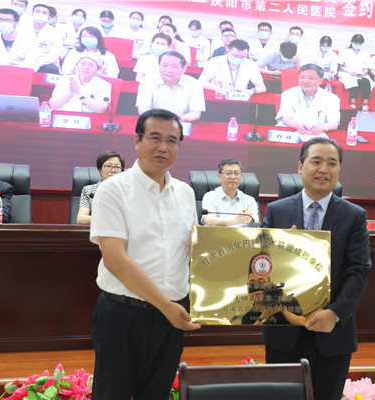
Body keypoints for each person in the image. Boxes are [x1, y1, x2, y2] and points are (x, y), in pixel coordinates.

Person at [89, 108, 200, 399]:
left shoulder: (185, 193)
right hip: (122, 317)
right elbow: (115, 260)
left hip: (171, 320)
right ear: (137, 141)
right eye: (155, 138)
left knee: (157, 394)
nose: (164, 147)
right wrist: (166, 306)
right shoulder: (113, 190)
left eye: (172, 140)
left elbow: (194, 251)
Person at [261, 136, 371, 400]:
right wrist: (282, 254)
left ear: (339, 169)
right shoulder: (276, 211)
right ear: (300, 167)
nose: (324, 169)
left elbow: (358, 271)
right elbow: (261, 267)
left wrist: (334, 313)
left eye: (332, 163)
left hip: (332, 333)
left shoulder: (354, 215)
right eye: (316, 162)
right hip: (284, 331)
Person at [275, 64, 340, 142]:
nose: (305, 81)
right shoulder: (288, 94)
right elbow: (286, 119)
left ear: (320, 81)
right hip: (290, 133)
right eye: (302, 77)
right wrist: (297, 125)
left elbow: (334, 123)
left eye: (311, 78)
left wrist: (323, 127)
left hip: (315, 136)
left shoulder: (331, 98)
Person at [136, 51, 205, 121]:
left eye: (174, 66)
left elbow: (195, 113)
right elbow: (142, 108)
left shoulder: (195, 84)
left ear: (184, 69)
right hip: (153, 120)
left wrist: (181, 118)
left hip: (180, 122)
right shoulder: (147, 81)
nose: (169, 70)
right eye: (164, 65)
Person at [201, 158, 259, 227]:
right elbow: (209, 221)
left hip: (242, 234)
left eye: (236, 173)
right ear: (219, 176)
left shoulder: (249, 200)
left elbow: (256, 222)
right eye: (228, 173)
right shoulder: (210, 196)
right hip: (218, 234)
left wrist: (249, 219)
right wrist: (237, 220)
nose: (233, 177)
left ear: (241, 176)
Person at [199, 39, 266, 95]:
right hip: (219, 96)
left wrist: (251, 91)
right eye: (235, 56)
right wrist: (220, 89)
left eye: (243, 57)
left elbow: (262, 87)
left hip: (240, 98)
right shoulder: (214, 61)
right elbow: (202, 82)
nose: (239, 59)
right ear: (228, 51)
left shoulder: (251, 64)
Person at [76, 150, 124, 225]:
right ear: (100, 169)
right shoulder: (89, 191)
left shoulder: (127, 191)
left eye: (117, 167)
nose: (113, 170)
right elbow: (81, 219)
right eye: (108, 166)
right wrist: (108, 218)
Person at [16, 3, 63, 74]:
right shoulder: (21, 29)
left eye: (44, 13)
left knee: (49, 69)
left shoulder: (56, 33)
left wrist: (38, 63)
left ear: (49, 17)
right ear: (32, 14)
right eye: (37, 11)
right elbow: (16, 48)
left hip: (45, 64)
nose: (40, 14)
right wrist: (22, 60)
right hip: (23, 61)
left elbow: (54, 55)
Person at [337, 34, 373, 113]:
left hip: (360, 74)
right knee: (353, 82)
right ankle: (352, 104)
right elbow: (341, 66)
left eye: (360, 44)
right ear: (352, 42)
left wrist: (364, 72)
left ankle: (364, 105)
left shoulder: (365, 53)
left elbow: (367, 67)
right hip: (347, 73)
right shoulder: (344, 52)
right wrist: (351, 72)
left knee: (366, 82)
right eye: (356, 43)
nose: (358, 45)